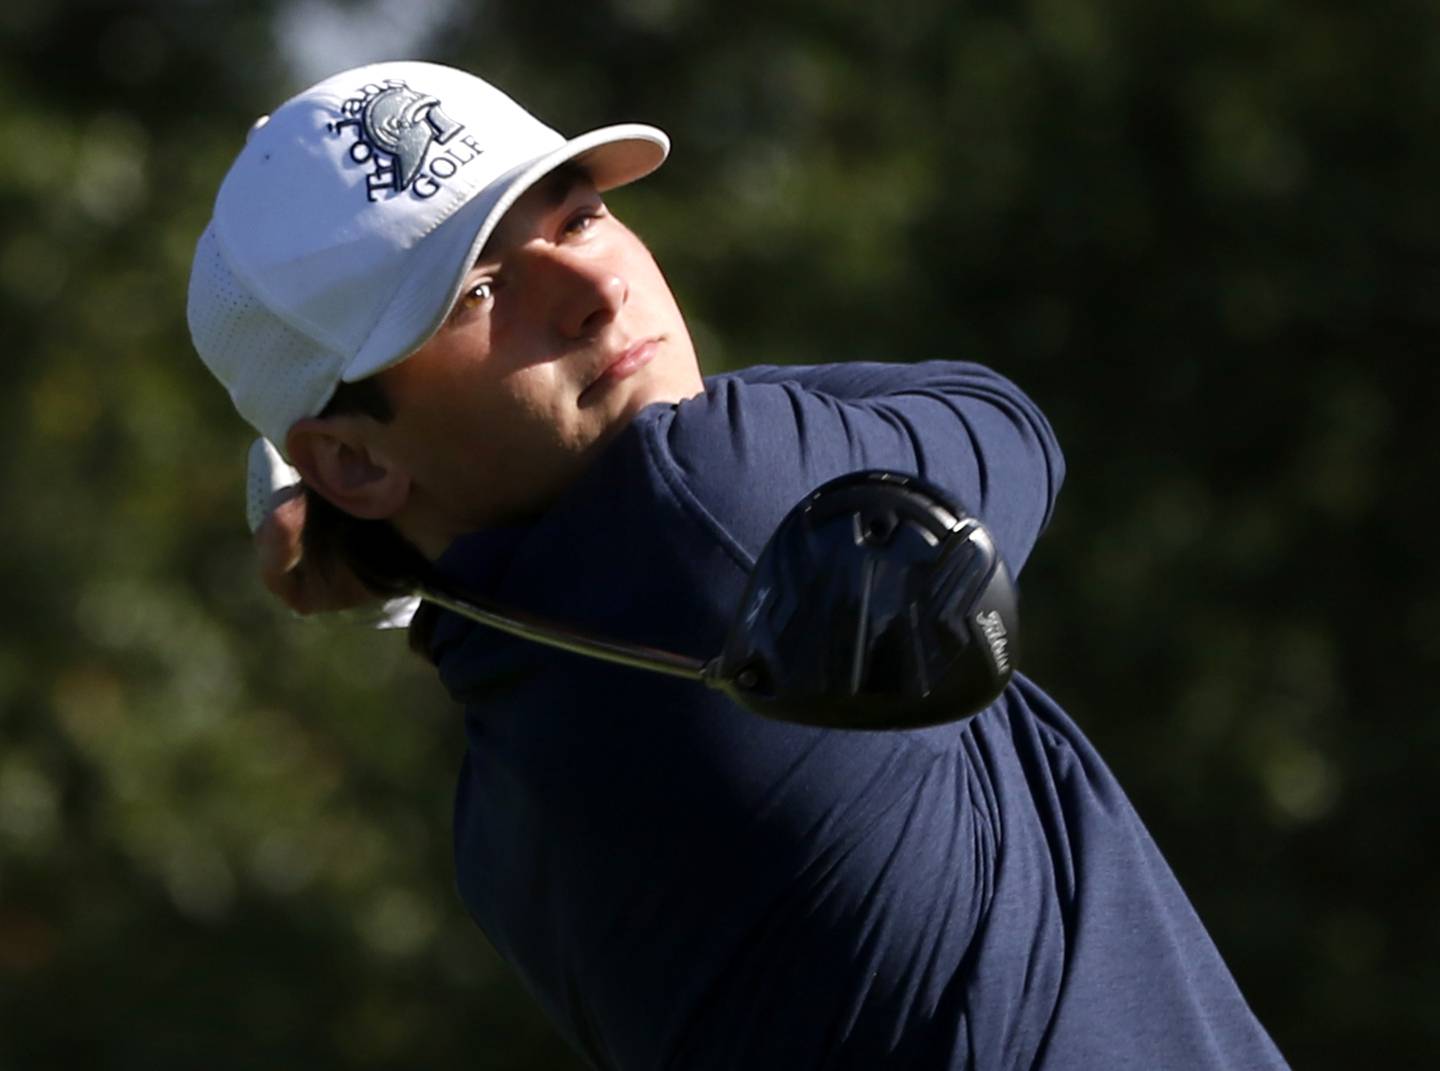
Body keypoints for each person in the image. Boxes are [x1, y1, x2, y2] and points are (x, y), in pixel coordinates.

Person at [189, 60, 1289, 1070]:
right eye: (477, 293)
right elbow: (1005, 418)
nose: (594, 288)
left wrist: (354, 516)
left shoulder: (494, 820)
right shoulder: (714, 506)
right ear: (351, 463)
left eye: (582, 216)